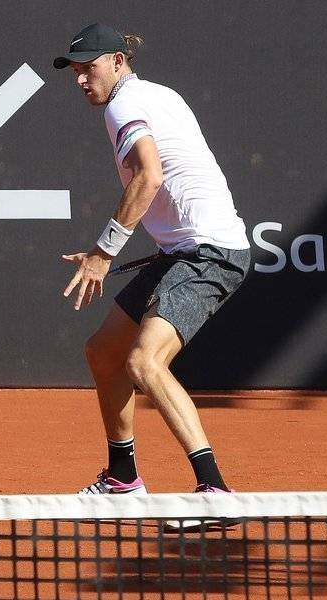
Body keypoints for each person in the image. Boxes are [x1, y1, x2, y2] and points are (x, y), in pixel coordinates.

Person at [54, 24, 252, 495]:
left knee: (144, 363)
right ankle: (123, 477)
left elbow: (149, 176)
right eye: (76, 71)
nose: (82, 79)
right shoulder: (156, 95)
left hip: (209, 254)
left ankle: (214, 490)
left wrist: (103, 253)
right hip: (180, 252)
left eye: (90, 67)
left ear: (118, 61)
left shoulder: (124, 105)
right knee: (104, 352)